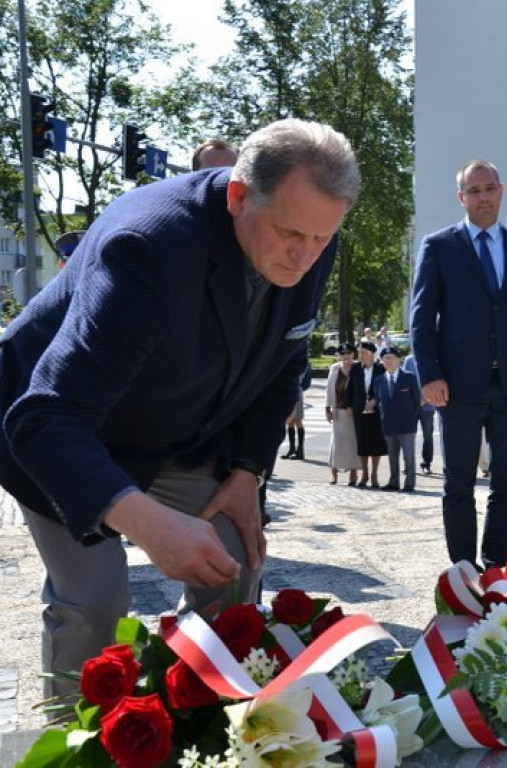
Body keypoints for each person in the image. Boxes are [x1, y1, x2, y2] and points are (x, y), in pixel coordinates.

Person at [0, 119, 359, 697]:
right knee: (96, 604)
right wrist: (148, 524)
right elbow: (46, 419)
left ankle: (213, 727)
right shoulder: (148, 247)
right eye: (291, 234)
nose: (305, 258)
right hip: (67, 435)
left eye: (321, 239)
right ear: (239, 195)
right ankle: (75, 748)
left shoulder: (312, 232)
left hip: (183, 429)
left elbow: (281, 363)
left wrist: (247, 475)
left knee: (235, 565)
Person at [410, 159, 507, 568]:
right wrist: (429, 374)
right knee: (458, 484)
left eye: (489, 188)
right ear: (461, 198)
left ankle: (494, 567)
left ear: (501, 191)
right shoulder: (439, 247)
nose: (483, 197)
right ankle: (462, 571)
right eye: (474, 191)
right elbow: (421, 316)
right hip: (455, 387)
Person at [373, 346, 421, 491]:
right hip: (388, 425)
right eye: (385, 358)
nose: (389, 361)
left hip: (407, 425)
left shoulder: (410, 378)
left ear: (399, 360)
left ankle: (410, 483)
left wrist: (412, 419)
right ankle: (394, 482)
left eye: (392, 358)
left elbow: (416, 401)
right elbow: (379, 401)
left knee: (408, 456)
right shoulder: (379, 380)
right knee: (392, 457)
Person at [347, 341, 388, 488]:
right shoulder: (356, 368)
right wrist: (349, 405)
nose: (360, 355)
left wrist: (375, 401)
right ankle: (364, 474)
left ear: (371, 354)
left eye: (363, 353)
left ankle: (374, 475)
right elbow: (350, 387)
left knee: (376, 443)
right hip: (359, 410)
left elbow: (385, 388)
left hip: (376, 412)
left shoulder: (380, 368)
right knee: (362, 443)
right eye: (360, 352)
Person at [326, 342, 360, 486]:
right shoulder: (334, 368)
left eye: (348, 353)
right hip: (338, 410)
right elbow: (329, 389)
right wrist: (327, 409)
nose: (346, 356)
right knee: (336, 443)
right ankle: (333, 472)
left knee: (354, 443)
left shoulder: (359, 367)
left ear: (353, 354)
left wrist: (356, 406)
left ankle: (353, 473)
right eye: (343, 354)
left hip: (354, 411)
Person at [402, 352, 436, 474]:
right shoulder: (408, 360)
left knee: (428, 436)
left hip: (428, 405)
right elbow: (405, 381)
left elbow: (435, 381)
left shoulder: (431, 358)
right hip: (412, 405)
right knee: (408, 436)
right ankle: (408, 465)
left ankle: (426, 463)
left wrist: (426, 399)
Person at [281, 363, 312, 460]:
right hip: (288, 390)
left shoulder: (304, 364)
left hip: (296, 390)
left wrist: (300, 388)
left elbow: (307, 381)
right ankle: (292, 449)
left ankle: (300, 451)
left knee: (298, 420)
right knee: (290, 421)